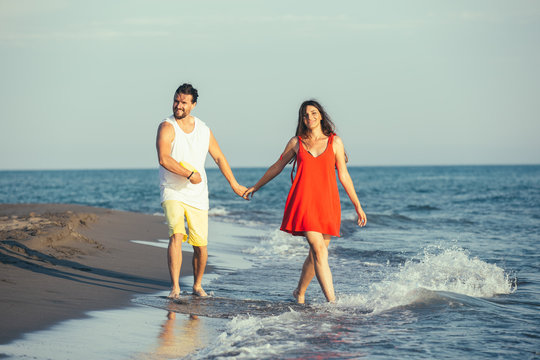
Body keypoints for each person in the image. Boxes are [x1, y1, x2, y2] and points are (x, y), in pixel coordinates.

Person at [242, 99, 367, 304]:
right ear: (302, 119)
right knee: (318, 250)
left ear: (321, 115)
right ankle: (333, 303)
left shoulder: (335, 142)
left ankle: (299, 292)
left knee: (317, 253)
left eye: (313, 113)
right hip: (304, 201)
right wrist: (256, 186)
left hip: (328, 203)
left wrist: (357, 205)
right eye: (305, 115)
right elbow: (277, 166)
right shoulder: (296, 142)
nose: (310, 117)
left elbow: (344, 175)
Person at [156, 83, 247, 299]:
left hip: (197, 194)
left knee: (200, 246)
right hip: (172, 191)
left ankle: (197, 286)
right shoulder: (167, 126)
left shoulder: (204, 130)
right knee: (177, 234)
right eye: (176, 100)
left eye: (183, 102)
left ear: (193, 105)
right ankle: (176, 288)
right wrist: (189, 174)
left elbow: (219, 157)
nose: (178, 105)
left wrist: (234, 184)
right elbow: (164, 158)